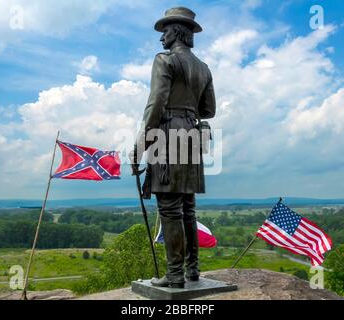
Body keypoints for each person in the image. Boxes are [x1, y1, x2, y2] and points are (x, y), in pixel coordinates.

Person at [132, 7, 216, 288]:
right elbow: (209, 110)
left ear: (177, 31)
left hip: (168, 135)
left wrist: (139, 147)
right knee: (188, 209)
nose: (161, 39)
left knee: (169, 209)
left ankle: (175, 275)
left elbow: (155, 104)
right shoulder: (203, 68)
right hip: (192, 134)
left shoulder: (164, 60)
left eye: (165, 31)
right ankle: (192, 270)